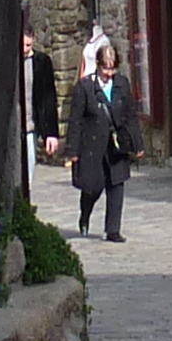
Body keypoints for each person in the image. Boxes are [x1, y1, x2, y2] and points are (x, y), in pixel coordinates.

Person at [66, 32, 135, 244]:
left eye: (112, 68)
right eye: (105, 68)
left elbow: (130, 116)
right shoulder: (86, 88)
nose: (109, 73)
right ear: (97, 65)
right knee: (93, 187)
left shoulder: (122, 84)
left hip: (115, 145)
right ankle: (85, 215)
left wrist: (137, 144)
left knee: (117, 184)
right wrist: (72, 152)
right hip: (92, 146)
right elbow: (75, 120)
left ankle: (113, 230)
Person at [24, 24, 62, 171]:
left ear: (33, 40)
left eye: (28, 45)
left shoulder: (41, 62)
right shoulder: (8, 62)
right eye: (22, 45)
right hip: (11, 129)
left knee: (28, 175)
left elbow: (48, 99)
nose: (25, 49)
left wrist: (51, 133)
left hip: (30, 127)